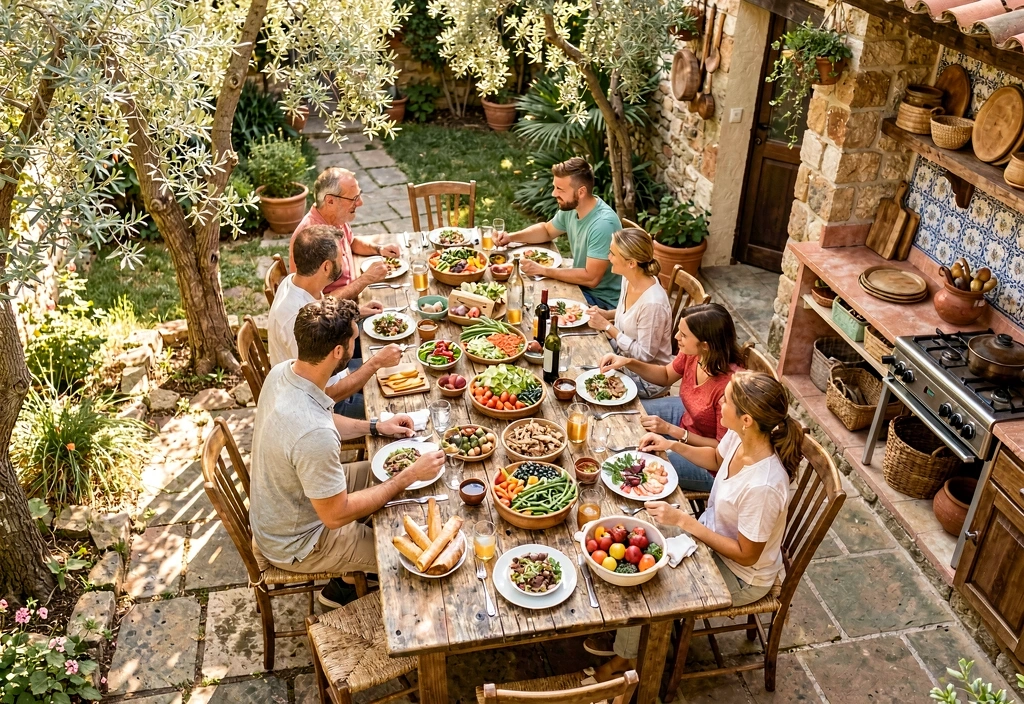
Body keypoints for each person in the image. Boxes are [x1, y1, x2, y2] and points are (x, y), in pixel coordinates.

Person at [590, 371, 801, 679]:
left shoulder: (764, 487)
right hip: (708, 535)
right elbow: (716, 458)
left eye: (726, 401)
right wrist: (671, 444)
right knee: (642, 536)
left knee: (650, 582)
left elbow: (746, 555)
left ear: (747, 419)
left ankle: (629, 660)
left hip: (742, 575)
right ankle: (629, 638)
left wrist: (684, 521)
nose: (721, 404)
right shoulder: (742, 436)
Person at [250, 297, 446, 608]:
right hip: (300, 540)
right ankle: (344, 588)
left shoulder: (285, 372)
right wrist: (408, 476)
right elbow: (335, 515)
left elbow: (323, 417)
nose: (358, 343)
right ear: (339, 352)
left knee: (380, 469)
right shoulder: (314, 435)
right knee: (413, 557)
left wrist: (375, 426)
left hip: (294, 498)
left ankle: (350, 577)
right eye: (355, 338)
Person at [599, 303, 744, 492]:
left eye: (683, 335)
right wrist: (628, 362)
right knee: (625, 415)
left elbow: (721, 449)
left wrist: (672, 432)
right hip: (688, 417)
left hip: (713, 464)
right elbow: (666, 376)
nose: (676, 337)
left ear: (706, 345)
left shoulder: (729, 388)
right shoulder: (694, 354)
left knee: (640, 464)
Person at [268, 225, 402, 419]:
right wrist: (374, 364)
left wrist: (357, 312)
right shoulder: (294, 319)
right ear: (326, 267)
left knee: (389, 354)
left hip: (336, 373)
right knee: (399, 406)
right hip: (325, 405)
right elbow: (326, 393)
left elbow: (321, 308)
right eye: (341, 257)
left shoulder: (297, 282)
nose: (344, 260)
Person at [493, 157, 622, 310]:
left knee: (529, 302)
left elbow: (591, 278)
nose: (554, 194)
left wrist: (543, 270)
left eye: (560, 189)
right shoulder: (572, 208)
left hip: (599, 300)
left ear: (581, 192)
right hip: (580, 285)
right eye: (555, 187)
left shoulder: (602, 224)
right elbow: (547, 231)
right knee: (521, 295)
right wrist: (511, 237)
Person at [584, 228, 673, 398]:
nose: (608, 257)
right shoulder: (629, 278)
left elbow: (645, 355)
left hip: (647, 380)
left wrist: (608, 327)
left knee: (588, 390)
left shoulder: (653, 304)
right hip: (621, 358)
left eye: (613, 254)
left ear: (631, 262)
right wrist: (607, 314)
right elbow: (631, 315)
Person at [290, 167, 402, 299]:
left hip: (351, 297)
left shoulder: (337, 217)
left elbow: (351, 242)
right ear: (330, 201)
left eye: (359, 195)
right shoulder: (311, 240)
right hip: (334, 312)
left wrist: (379, 249)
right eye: (354, 198)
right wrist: (365, 279)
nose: (360, 203)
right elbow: (314, 305)